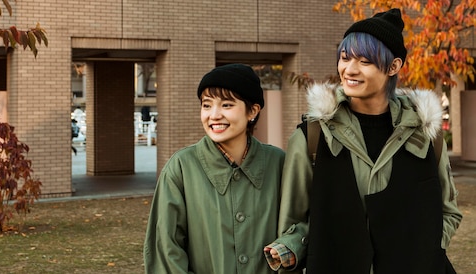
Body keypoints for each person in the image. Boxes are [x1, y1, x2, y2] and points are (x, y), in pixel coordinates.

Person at [264, 8, 463, 274]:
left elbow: (448, 211)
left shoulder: (426, 133)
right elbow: (294, 221)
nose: (349, 69)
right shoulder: (312, 137)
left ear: (394, 66)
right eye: (345, 58)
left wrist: (430, 247)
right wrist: (290, 249)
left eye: (365, 61)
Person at [143, 63, 285, 273]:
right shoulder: (181, 167)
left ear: (252, 111)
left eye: (226, 105)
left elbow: (301, 225)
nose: (214, 115)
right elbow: (166, 252)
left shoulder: (278, 163)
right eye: (207, 105)